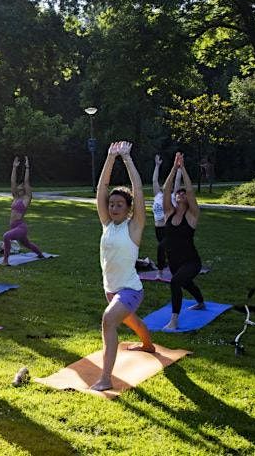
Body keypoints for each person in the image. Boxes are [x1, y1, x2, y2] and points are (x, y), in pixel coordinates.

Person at [91, 141, 154, 391]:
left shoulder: (133, 227)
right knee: (132, 321)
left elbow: (138, 191)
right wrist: (109, 157)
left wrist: (126, 158)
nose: (114, 207)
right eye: (111, 204)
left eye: (119, 205)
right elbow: (101, 188)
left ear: (129, 210)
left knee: (109, 321)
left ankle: (105, 378)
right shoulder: (107, 224)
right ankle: (148, 345)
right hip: (111, 289)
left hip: (130, 289)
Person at [161, 152, 205, 331]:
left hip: (192, 262)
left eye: (183, 193)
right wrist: (173, 168)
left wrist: (183, 168)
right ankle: (201, 302)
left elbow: (190, 190)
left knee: (176, 283)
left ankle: (174, 320)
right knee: (186, 283)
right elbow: (166, 189)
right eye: (178, 192)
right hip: (174, 262)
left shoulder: (192, 216)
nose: (180, 193)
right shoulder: (168, 213)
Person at [1, 156, 44, 265]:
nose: (19, 186)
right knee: (27, 244)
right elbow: (12, 181)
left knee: (6, 236)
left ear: (24, 188)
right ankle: (40, 254)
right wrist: (14, 167)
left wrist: (27, 167)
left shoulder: (26, 198)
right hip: (14, 226)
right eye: (18, 186)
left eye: (21, 186)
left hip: (21, 227)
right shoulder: (15, 197)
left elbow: (26, 181)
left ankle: (5, 260)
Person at [151, 154, 181, 272]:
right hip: (158, 228)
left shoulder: (174, 197)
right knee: (167, 249)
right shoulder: (158, 196)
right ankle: (176, 263)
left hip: (169, 228)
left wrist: (178, 168)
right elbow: (154, 180)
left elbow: (178, 180)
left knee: (161, 247)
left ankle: (160, 271)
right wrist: (157, 165)